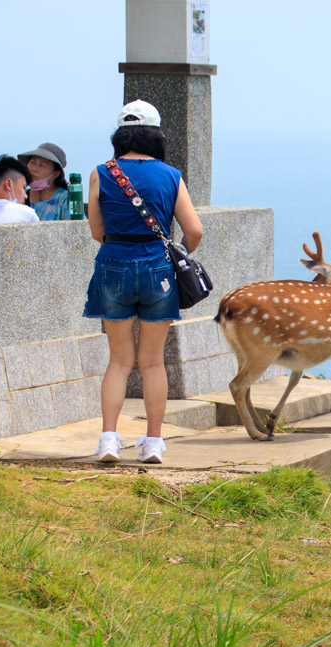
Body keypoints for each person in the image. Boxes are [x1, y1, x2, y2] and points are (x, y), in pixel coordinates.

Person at [82, 99, 204, 465]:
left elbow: (96, 230)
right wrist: (176, 250)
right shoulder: (170, 175)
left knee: (119, 360)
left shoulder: (101, 172)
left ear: (120, 136)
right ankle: (152, 443)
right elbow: (194, 229)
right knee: (152, 362)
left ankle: (108, 440)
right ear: (156, 136)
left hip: (113, 264)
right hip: (157, 268)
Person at [18, 142, 70, 221]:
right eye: (33, 162)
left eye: (42, 165)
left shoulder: (65, 200)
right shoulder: (20, 197)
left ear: (55, 174)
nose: (34, 169)